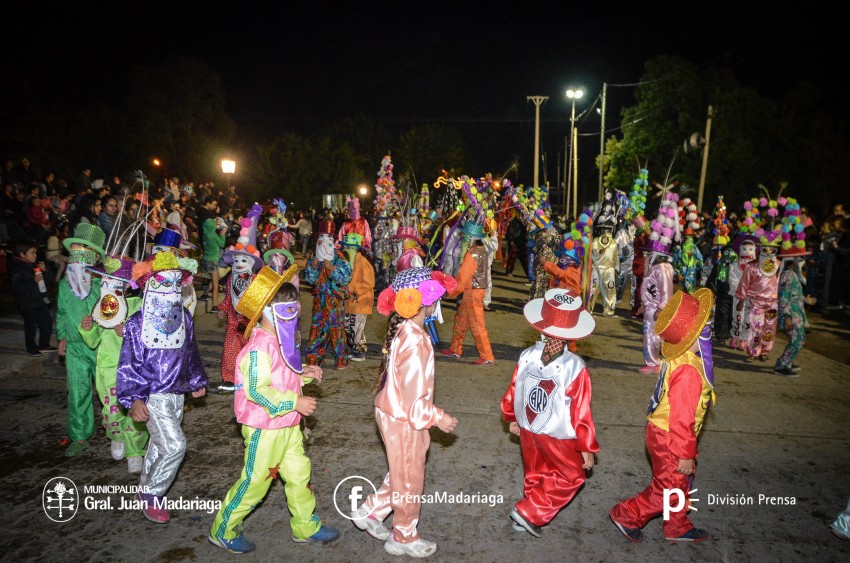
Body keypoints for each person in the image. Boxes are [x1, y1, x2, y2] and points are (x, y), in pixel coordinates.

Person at [209, 267, 339, 552]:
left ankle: (305, 526)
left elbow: (284, 374)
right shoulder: (258, 348)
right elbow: (256, 390)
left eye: (296, 305)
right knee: (255, 483)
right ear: (268, 311)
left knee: (299, 476)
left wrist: (303, 374)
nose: (296, 311)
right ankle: (223, 528)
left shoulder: (280, 340)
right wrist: (295, 402)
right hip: (264, 429)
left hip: (289, 426)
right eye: (289, 306)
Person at [353, 267, 459, 558]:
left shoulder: (405, 330)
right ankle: (403, 535)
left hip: (392, 412)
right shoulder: (416, 340)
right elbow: (415, 402)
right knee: (410, 479)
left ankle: (371, 511)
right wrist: (439, 418)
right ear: (427, 301)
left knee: (402, 471)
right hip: (404, 418)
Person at [610, 288, 716, 543]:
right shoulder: (689, 371)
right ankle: (626, 515)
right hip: (670, 436)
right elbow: (681, 419)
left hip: (663, 432)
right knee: (668, 488)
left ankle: (677, 525)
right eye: (705, 326)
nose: (709, 330)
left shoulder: (681, 357)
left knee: (677, 483)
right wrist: (685, 453)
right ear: (692, 335)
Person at [117, 251, 208, 523]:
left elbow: (190, 352)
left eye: (174, 282)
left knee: (159, 445)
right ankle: (152, 495)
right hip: (152, 395)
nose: (169, 288)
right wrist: (134, 399)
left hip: (176, 394)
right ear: (149, 283)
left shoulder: (185, 318)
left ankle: (144, 487)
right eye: (162, 281)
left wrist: (195, 381)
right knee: (175, 446)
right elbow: (128, 363)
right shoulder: (136, 323)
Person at [501, 288, 598, 537]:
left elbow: (514, 389)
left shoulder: (528, 355)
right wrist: (585, 445)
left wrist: (512, 417)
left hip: (528, 428)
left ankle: (526, 513)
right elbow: (581, 410)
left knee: (535, 470)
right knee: (571, 476)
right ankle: (530, 512)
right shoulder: (575, 367)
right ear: (571, 334)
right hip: (557, 433)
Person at [79, 256, 147, 473]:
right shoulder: (101, 306)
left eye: (114, 282)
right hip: (106, 366)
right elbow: (93, 341)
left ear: (127, 285)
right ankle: (116, 436)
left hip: (132, 367)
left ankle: (135, 451)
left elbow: (147, 339)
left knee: (134, 411)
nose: (107, 286)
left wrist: (128, 331)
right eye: (104, 281)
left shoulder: (137, 306)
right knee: (111, 409)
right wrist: (88, 328)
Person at [57, 223, 107, 456]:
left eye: (82, 253)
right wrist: (62, 337)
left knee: (108, 391)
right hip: (76, 348)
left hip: (100, 346)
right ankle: (79, 435)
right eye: (73, 253)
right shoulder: (65, 285)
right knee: (78, 392)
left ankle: (120, 432)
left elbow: (109, 313)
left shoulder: (103, 284)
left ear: (94, 256)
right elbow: (62, 313)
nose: (77, 259)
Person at [216, 205, 264, 390]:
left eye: (243, 260)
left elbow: (262, 300)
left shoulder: (255, 280)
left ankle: (253, 379)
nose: (238, 264)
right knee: (230, 350)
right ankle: (229, 378)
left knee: (253, 352)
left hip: (251, 323)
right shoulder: (231, 280)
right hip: (233, 322)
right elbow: (229, 297)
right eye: (236, 260)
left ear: (252, 263)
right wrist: (222, 308)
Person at [440, 221, 496, 366]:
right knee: (461, 319)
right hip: (474, 290)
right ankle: (455, 349)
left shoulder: (472, 254)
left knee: (477, 324)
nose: (464, 237)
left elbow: (463, 277)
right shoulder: (482, 250)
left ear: (471, 237)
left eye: (466, 235)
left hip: (472, 291)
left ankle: (487, 355)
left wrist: (450, 292)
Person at [303, 221, 352, 370]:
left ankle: (341, 359)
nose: (324, 240)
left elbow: (346, 278)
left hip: (335, 300)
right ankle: (313, 358)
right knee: (317, 329)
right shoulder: (314, 257)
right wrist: (313, 267)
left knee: (336, 329)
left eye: (328, 237)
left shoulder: (339, 257)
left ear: (333, 239)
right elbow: (310, 279)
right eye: (321, 236)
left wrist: (332, 268)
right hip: (320, 300)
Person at [736, 235, 780, 362]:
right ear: (761, 249)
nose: (769, 252)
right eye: (766, 249)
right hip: (756, 302)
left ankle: (765, 351)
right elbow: (744, 283)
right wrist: (741, 300)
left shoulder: (778, 265)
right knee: (756, 328)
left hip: (773, 303)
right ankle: (754, 352)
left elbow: (780, 283)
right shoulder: (752, 266)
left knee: (770, 329)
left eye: (772, 249)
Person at [8, 241, 55, 356]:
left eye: (35, 253)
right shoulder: (16, 268)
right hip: (27, 303)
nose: (35, 255)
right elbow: (17, 287)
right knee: (31, 326)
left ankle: (44, 345)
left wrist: (45, 271)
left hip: (39, 300)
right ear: (22, 254)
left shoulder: (34, 265)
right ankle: (31, 348)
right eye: (32, 253)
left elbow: (49, 281)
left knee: (47, 322)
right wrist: (32, 281)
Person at [773, 243, 814, 376]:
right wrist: (787, 316)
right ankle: (782, 365)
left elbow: (794, 294)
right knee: (798, 339)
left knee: (798, 339)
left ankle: (786, 362)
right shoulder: (788, 275)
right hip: (791, 315)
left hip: (795, 314)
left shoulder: (792, 275)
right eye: (800, 258)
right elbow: (784, 297)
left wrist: (805, 300)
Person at [341, 233, 375, 361]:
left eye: (351, 247)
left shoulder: (363, 262)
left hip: (361, 300)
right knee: (349, 325)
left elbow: (368, 283)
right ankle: (354, 348)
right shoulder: (350, 261)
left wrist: (351, 287)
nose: (348, 249)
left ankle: (359, 350)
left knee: (357, 327)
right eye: (347, 247)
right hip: (351, 300)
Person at [199, 198, 227, 306]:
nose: (217, 225)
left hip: (206, 260)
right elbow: (222, 244)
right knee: (216, 285)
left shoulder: (206, 235)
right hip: (213, 261)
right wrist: (223, 234)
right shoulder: (214, 235)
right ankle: (215, 305)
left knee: (213, 278)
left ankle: (205, 294)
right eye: (215, 224)